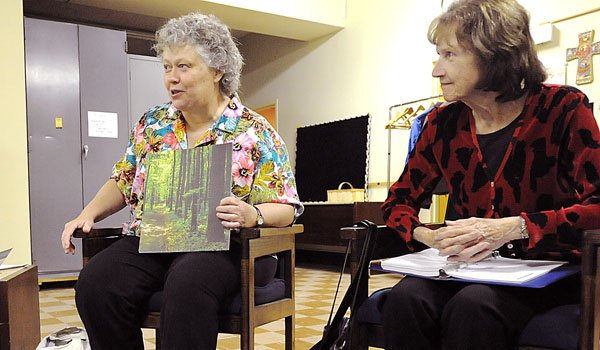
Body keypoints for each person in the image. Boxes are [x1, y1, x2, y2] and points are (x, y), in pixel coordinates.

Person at [60, 12, 303, 350]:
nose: (171, 78)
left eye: (184, 67)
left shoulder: (254, 130)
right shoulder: (153, 124)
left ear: (218, 70)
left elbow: (288, 207)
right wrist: (88, 214)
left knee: (188, 283)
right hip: (154, 240)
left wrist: (254, 215)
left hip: (221, 246)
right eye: (166, 67)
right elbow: (124, 179)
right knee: (96, 283)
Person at [380, 0, 600, 349]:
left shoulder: (563, 109)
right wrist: (427, 236)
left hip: (546, 274)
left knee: (475, 306)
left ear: (493, 54)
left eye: (449, 55)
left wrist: (517, 227)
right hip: (466, 269)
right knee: (407, 298)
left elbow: (598, 208)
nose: (437, 70)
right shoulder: (441, 125)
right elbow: (397, 202)